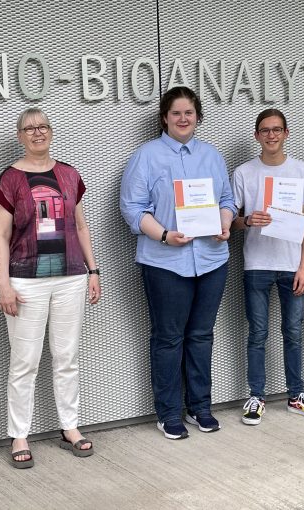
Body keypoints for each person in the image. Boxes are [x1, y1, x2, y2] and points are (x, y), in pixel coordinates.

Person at [120, 86, 235, 440]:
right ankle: (168, 412)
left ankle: (200, 407)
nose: (183, 119)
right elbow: (132, 209)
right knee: (168, 338)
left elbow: (227, 199)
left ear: (198, 116)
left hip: (212, 260)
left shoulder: (212, 155)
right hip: (165, 261)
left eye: (189, 113)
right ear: (164, 119)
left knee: (201, 336)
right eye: (176, 113)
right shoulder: (147, 156)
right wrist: (165, 235)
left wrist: (225, 223)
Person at [0, 108, 101, 468]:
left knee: (67, 357)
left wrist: (93, 270)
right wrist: (3, 284)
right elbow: (0, 236)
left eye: (42, 127)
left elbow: (81, 227)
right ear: (19, 136)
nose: (37, 132)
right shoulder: (9, 180)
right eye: (29, 128)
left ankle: (69, 426)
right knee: (25, 361)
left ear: (51, 132)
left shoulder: (70, 175)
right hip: (26, 281)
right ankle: (19, 433)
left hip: (70, 277)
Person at [232, 109, 304, 425]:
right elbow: (230, 220)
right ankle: (256, 396)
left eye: (276, 130)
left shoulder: (302, 171)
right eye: (264, 130)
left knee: (294, 333)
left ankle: (295, 395)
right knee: (257, 333)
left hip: (291, 265)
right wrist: (246, 221)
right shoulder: (244, 172)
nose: (271, 135)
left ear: (286, 133)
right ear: (256, 135)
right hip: (257, 263)